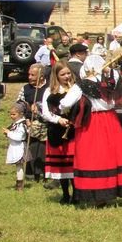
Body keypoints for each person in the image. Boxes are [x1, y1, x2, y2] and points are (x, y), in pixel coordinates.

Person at [57, 53, 122, 207]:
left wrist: (61, 105)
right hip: (111, 120)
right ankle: (106, 194)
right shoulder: (112, 81)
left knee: (94, 157)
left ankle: (98, 196)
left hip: (92, 122)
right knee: (110, 156)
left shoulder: (82, 85)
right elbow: (117, 74)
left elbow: (65, 103)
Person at [41, 61, 77, 205]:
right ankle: (65, 194)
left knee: (72, 165)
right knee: (61, 166)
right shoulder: (49, 91)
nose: (66, 76)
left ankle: (76, 194)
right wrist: (58, 119)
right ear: (56, 76)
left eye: (68, 73)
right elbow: (45, 112)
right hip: (57, 131)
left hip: (73, 131)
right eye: (63, 74)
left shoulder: (75, 89)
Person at [17, 64, 48, 184]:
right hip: (30, 122)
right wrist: (27, 114)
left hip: (46, 123)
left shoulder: (49, 88)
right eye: (29, 74)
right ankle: (31, 174)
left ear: (41, 76)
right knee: (32, 149)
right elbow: (18, 106)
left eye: (32, 75)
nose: (29, 77)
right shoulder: (25, 89)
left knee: (44, 150)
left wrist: (40, 109)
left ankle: (46, 174)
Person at [4, 102, 29, 190]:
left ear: (21, 114)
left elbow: (19, 137)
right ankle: (18, 183)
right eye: (11, 114)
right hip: (15, 147)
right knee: (18, 166)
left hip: (20, 147)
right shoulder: (16, 123)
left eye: (14, 114)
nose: (11, 116)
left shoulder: (21, 125)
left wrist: (9, 133)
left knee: (19, 166)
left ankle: (19, 185)